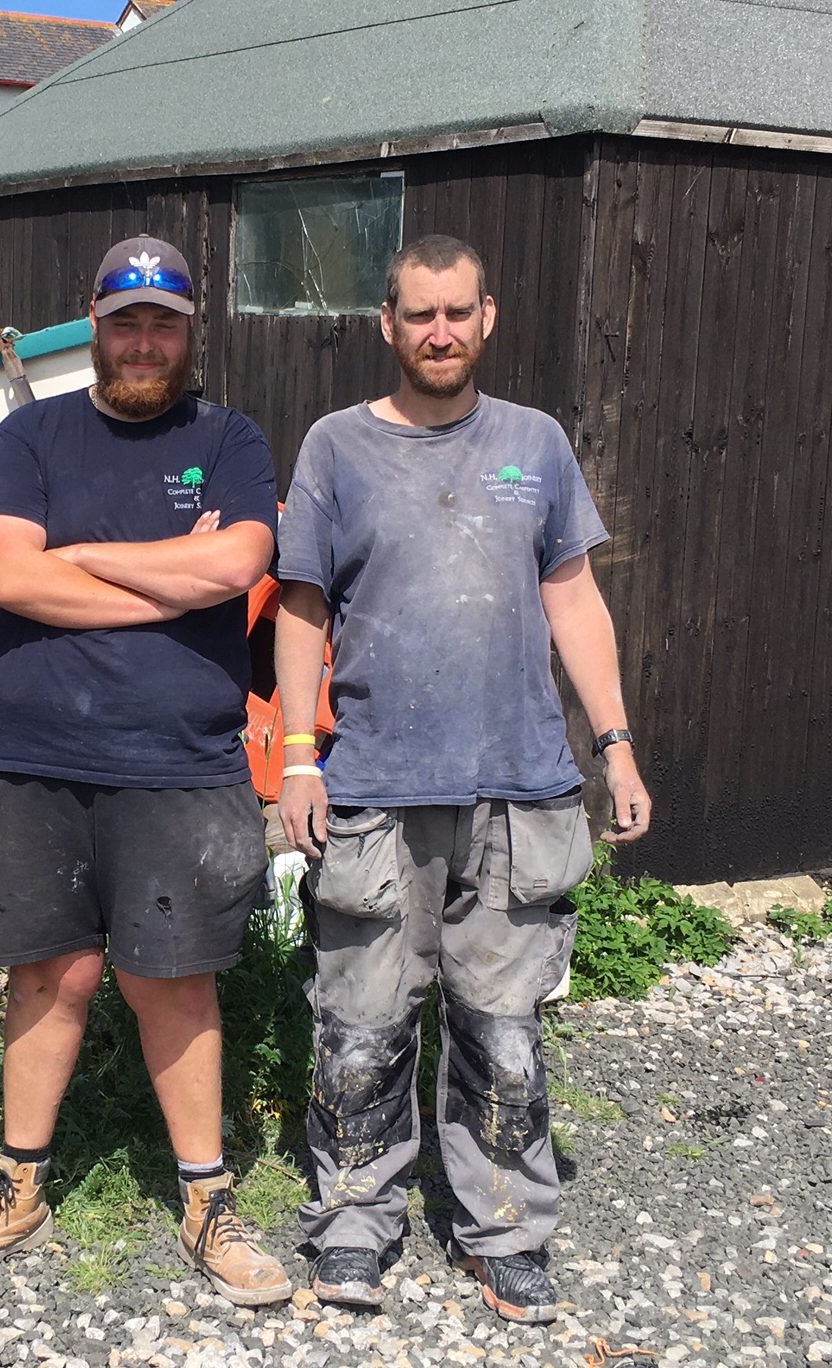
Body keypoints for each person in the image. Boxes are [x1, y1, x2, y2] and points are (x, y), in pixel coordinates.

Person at [273, 234, 652, 1322]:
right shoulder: (336, 448)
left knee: (504, 1025)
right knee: (361, 1021)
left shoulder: (535, 442)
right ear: (387, 325)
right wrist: (301, 757)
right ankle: (354, 1221)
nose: (439, 332)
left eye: (458, 313)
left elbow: (574, 602)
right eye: (418, 314)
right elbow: (301, 611)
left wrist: (614, 743)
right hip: (377, 789)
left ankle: (503, 1229)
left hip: (520, 787)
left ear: (488, 319)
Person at [0, 236, 292, 1306]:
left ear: (188, 329)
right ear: (93, 321)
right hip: (29, 757)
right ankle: (17, 1190)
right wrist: (169, 585)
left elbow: (236, 565)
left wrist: (72, 557)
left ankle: (208, 1201)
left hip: (178, 760)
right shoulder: (30, 433)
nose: (142, 340)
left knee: (173, 978)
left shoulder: (228, 438)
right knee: (47, 972)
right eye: (124, 320)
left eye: (161, 322)